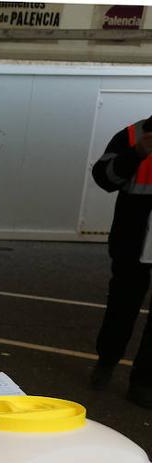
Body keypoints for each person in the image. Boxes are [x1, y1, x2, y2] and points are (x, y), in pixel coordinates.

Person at [90, 113, 152, 408]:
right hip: (132, 240)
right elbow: (104, 179)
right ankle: (106, 361)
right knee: (122, 306)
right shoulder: (130, 136)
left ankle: (143, 382)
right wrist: (137, 153)